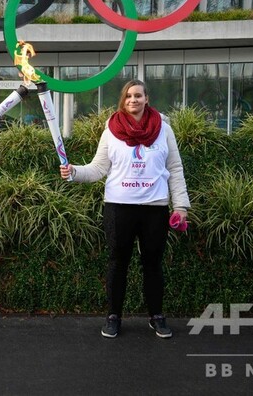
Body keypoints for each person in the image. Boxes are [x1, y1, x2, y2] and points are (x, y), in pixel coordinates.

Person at [60, 80, 189, 339]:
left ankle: (156, 316)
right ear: (123, 99)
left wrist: (181, 206)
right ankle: (113, 317)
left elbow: (175, 169)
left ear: (146, 98)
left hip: (155, 208)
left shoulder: (164, 128)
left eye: (138, 95)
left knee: (153, 264)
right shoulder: (111, 128)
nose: (133, 100)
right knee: (118, 263)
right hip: (119, 208)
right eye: (129, 96)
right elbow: (98, 169)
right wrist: (74, 172)